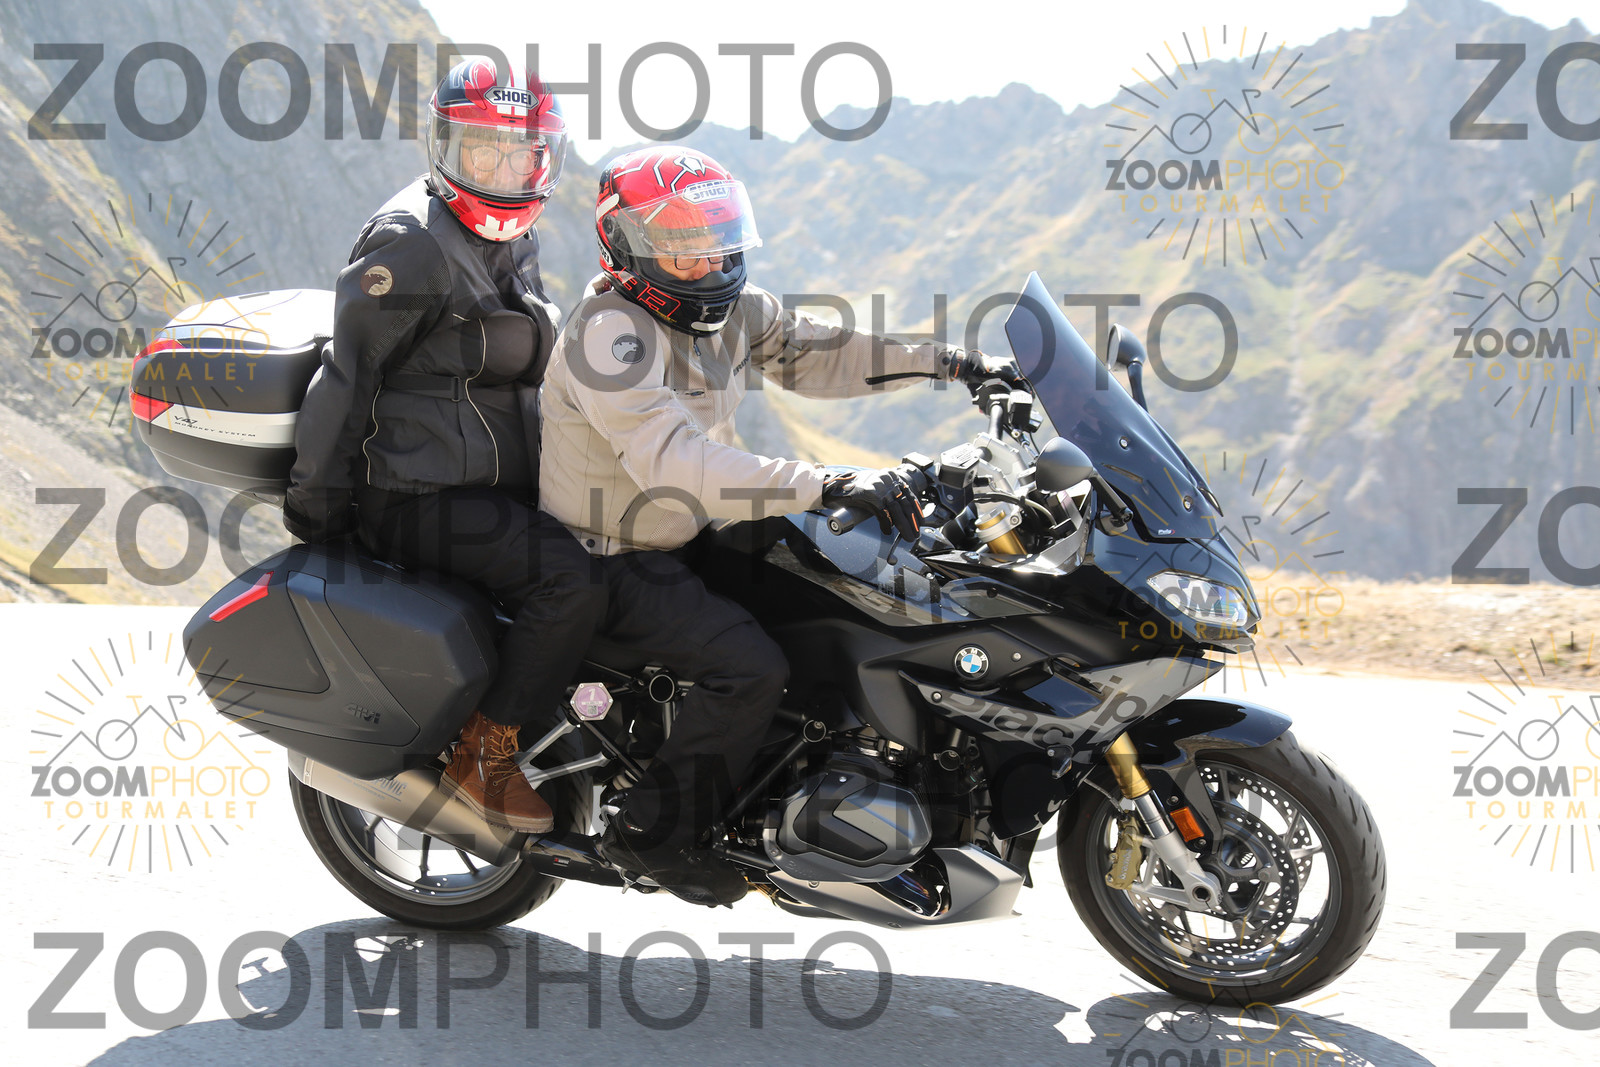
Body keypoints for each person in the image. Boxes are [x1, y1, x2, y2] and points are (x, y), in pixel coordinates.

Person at [539, 146, 1020, 904]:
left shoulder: (733, 309)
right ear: (628, 249)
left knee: (842, 595)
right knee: (749, 668)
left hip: (690, 530)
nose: (707, 262)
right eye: (682, 246)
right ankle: (653, 836)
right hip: (611, 556)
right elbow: (677, 463)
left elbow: (819, 355)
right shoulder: (610, 334)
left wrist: (953, 364)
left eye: (716, 238)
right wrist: (828, 481)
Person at [285, 57, 603, 834]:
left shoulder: (511, 238)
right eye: (480, 152)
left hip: (491, 486)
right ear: (444, 146)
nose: (500, 171)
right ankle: (482, 756)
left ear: (544, 162)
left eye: (519, 156)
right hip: (417, 494)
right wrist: (318, 512)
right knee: (568, 581)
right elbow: (346, 377)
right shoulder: (413, 244)